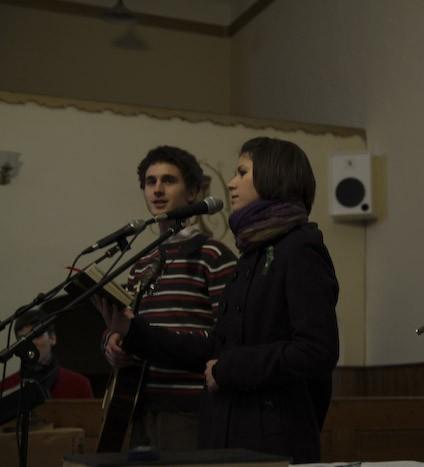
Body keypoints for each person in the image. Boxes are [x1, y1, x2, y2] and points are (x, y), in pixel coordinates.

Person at [101, 137, 340, 463]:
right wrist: (133, 333)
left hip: (268, 437)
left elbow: (316, 351)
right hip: (226, 427)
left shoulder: (298, 249)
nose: (230, 183)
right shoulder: (253, 252)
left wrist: (228, 369)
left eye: (242, 172)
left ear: (272, 176)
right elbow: (218, 346)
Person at [99, 146, 237, 451]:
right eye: (151, 182)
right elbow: (124, 322)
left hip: (188, 408)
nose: (157, 189)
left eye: (169, 180)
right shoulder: (141, 262)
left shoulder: (212, 254)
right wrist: (112, 343)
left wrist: (147, 338)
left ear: (193, 193)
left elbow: (227, 338)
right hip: (137, 403)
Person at [1, 308, 94, 399]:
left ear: (52, 338)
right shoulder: (5, 387)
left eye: (37, 335)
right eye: (23, 339)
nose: (31, 344)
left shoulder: (79, 384)